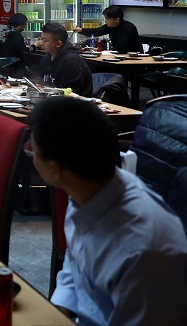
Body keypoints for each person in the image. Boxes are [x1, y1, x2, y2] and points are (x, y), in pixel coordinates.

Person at [29, 97, 187, 326]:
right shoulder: (90, 190)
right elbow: (76, 263)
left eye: (33, 153)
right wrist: (57, 313)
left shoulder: (144, 252)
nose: (32, 158)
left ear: (56, 169)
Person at [38, 22, 93, 96]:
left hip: (75, 104)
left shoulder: (72, 61)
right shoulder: (46, 58)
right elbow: (42, 83)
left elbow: (69, 93)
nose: (41, 43)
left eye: (45, 40)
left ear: (58, 44)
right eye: (41, 39)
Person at [74, 6, 143, 54]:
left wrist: (104, 52)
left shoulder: (128, 28)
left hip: (132, 60)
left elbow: (119, 48)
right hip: (118, 57)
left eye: (108, 19)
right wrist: (81, 30)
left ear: (117, 20)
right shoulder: (110, 26)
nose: (105, 21)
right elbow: (96, 31)